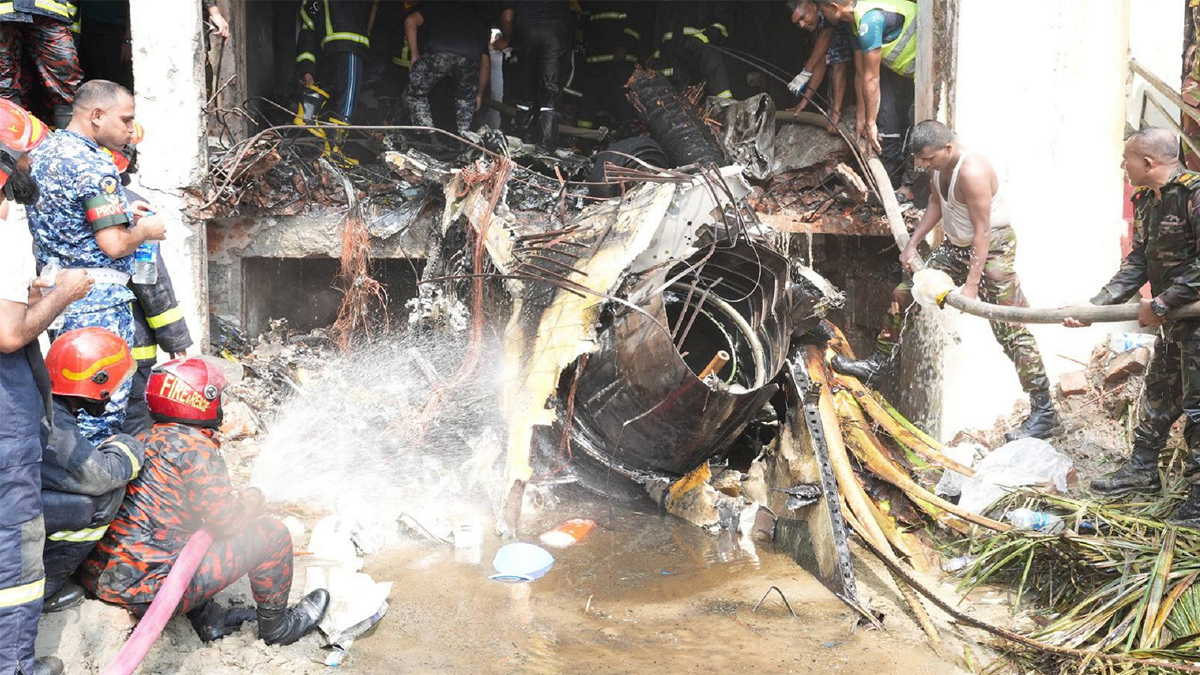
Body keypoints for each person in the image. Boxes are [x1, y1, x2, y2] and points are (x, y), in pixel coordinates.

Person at [833, 121, 1059, 441]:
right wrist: (913, 243)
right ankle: (879, 364)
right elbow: (936, 205)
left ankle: (1044, 410)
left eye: (928, 158)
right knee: (905, 293)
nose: (924, 165)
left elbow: (983, 232)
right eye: (921, 160)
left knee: (1010, 328)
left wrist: (971, 285)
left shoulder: (972, 172)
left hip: (992, 248)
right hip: (956, 248)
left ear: (948, 148)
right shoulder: (939, 169)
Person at [80, 357, 329, 645]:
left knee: (188, 533)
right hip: (150, 593)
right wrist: (252, 499)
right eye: (217, 396)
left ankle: (210, 620)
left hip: (103, 578)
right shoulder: (195, 448)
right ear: (199, 400)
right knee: (273, 535)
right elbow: (227, 522)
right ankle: (279, 629)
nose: (222, 404)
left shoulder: (144, 437)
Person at [1065, 129, 1200, 525]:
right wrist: (1095, 306)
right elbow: (1137, 263)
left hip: (1194, 322)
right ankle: (1142, 472)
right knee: (1160, 394)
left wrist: (1161, 303)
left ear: (1148, 162)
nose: (1122, 165)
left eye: (1126, 159)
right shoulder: (1145, 201)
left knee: (1197, 409)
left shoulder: (1194, 194)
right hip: (1172, 323)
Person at [0, 99, 89, 675]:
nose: (33, 168)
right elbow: (9, 336)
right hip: (4, 409)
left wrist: (22, 296)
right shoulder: (5, 230)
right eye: (26, 158)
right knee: (15, 538)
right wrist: (62, 294)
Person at [26, 79, 166, 443]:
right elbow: (115, 244)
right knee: (101, 412)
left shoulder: (44, 152)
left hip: (58, 297)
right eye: (125, 120)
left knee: (70, 404)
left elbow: (69, 218)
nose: (131, 131)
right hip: (98, 301)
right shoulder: (94, 164)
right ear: (97, 116)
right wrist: (145, 230)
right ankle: (99, 478)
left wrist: (125, 212)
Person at [39, 327, 144, 613]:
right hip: (11, 511)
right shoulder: (55, 427)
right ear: (98, 382)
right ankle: (44, 587)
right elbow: (104, 475)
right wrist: (129, 444)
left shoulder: (40, 401)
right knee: (103, 498)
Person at [815, 0, 915, 190]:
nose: (823, 17)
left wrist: (871, 123)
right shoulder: (855, 24)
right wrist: (861, 119)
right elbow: (861, 73)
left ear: (834, 8)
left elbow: (871, 79)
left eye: (823, 11)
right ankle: (891, 179)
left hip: (925, 70)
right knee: (889, 116)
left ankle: (909, 187)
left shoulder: (870, 21)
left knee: (914, 124)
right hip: (907, 72)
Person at [295, 0, 373, 164]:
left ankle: (308, 111)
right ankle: (333, 151)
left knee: (333, 96)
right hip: (350, 44)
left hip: (327, 51)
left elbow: (307, 36)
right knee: (347, 99)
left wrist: (306, 68)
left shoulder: (309, 4)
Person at [403, 2, 493, 137]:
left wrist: (414, 55)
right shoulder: (475, 17)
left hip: (439, 54)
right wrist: (479, 94)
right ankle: (465, 137)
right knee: (465, 99)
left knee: (416, 93)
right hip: (469, 58)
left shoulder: (437, 5)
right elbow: (485, 64)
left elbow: (410, 21)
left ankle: (428, 135)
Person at [498, 1, 573, 147]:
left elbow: (507, 18)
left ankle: (523, 142)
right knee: (549, 93)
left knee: (525, 92)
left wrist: (506, 40)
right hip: (554, 35)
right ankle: (547, 145)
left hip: (526, 34)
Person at [0, 0, 84, 129]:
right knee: (3, 83)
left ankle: (71, 137)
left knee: (66, 73)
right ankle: (12, 138)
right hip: (4, 11)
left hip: (49, 11)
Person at [576, 2, 647, 131]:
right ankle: (584, 138)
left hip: (620, 63)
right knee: (589, 104)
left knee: (623, 104)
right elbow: (586, 24)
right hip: (595, 62)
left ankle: (629, 136)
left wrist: (625, 46)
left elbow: (636, 23)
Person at [787, 0, 853, 134]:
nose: (801, 25)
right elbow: (821, 62)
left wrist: (835, 111)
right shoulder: (818, 24)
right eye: (797, 23)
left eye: (802, 18)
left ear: (813, 7)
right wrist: (804, 101)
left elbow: (839, 67)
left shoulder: (828, 15)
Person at [651, 2, 734, 100]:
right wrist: (657, 60)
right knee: (671, 99)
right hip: (671, 54)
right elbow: (657, 34)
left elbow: (723, 23)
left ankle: (724, 102)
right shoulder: (665, 4)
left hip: (698, 47)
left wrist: (707, 36)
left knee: (712, 56)